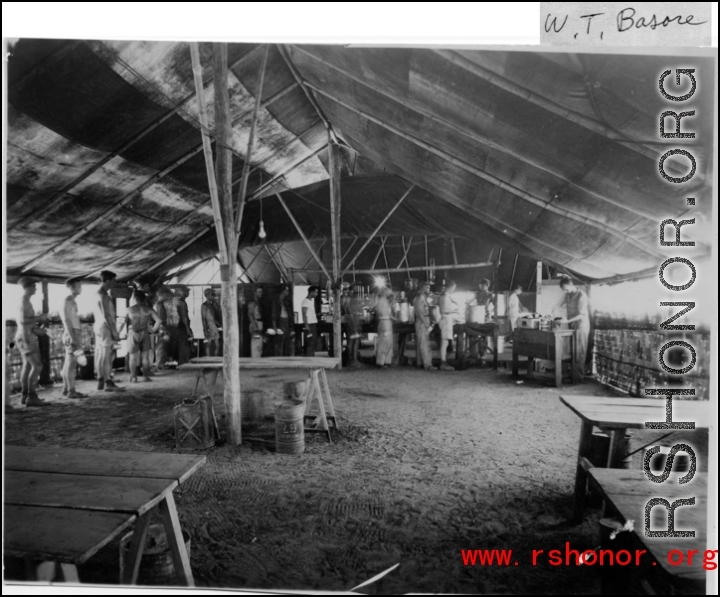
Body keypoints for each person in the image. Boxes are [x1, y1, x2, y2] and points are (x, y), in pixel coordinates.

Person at [15, 277, 50, 406]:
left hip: (24, 334)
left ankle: (25, 396)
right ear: (27, 287)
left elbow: (25, 322)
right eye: (34, 286)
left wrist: (35, 328)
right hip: (26, 336)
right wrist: (39, 317)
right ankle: (32, 396)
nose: (35, 289)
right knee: (38, 365)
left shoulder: (25, 301)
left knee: (28, 365)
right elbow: (23, 321)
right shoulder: (24, 301)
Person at [555, 276, 591, 379]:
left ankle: (579, 376)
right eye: (563, 290)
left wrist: (567, 321)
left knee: (580, 350)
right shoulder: (568, 295)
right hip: (572, 325)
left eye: (566, 289)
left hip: (581, 325)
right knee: (573, 350)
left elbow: (582, 315)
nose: (565, 291)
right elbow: (559, 305)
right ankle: (573, 374)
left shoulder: (581, 296)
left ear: (571, 285)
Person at [94, 270, 122, 392]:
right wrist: (114, 331)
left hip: (99, 326)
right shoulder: (103, 294)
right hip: (105, 327)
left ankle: (100, 381)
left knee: (101, 355)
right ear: (108, 280)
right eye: (113, 281)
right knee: (107, 356)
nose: (113, 283)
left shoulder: (97, 293)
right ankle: (108, 382)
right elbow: (107, 315)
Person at [126, 291, 162, 382]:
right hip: (145, 332)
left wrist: (117, 332)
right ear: (144, 298)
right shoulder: (148, 309)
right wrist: (153, 330)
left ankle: (133, 377)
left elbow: (122, 323)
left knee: (133, 357)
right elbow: (159, 320)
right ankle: (146, 376)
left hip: (133, 332)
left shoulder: (129, 309)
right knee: (145, 356)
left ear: (134, 298)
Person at [60, 277, 87, 399]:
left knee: (68, 362)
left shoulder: (71, 301)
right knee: (71, 363)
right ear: (72, 288)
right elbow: (66, 320)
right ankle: (71, 391)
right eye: (79, 286)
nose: (81, 288)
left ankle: (66, 389)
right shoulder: (68, 301)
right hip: (72, 333)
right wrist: (72, 337)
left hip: (73, 332)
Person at [413, 281, 437, 371]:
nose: (429, 289)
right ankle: (428, 364)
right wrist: (426, 323)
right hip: (422, 322)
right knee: (425, 344)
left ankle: (420, 363)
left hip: (424, 321)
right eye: (427, 287)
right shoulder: (419, 299)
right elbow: (419, 313)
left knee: (421, 343)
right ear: (422, 288)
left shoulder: (424, 298)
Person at [438, 280, 460, 371]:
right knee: (444, 342)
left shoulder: (445, 296)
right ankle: (443, 362)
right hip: (445, 319)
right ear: (451, 287)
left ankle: (444, 360)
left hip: (446, 319)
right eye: (454, 288)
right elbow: (444, 310)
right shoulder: (444, 297)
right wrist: (455, 311)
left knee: (446, 342)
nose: (453, 290)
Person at [344, 282, 364, 367]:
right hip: (353, 321)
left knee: (352, 341)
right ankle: (353, 360)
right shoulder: (350, 299)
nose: (357, 290)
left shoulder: (348, 299)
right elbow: (355, 311)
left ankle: (351, 359)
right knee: (354, 341)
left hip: (351, 321)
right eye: (356, 288)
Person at [271, 284, 294, 357]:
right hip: (280, 322)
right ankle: (278, 359)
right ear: (283, 291)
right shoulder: (276, 301)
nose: (288, 292)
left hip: (286, 322)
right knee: (280, 342)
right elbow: (274, 315)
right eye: (287, 290)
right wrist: (274, 326)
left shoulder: (286, 301)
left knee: (287, 342)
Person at [374, 287, 395, 368]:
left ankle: (386, 361)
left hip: (386, 322)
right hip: (385, 322)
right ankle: (381, 362)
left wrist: (393, 318)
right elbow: (384, 314)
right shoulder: (382, 301)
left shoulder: (384, 301)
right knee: (384, 343)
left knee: (388, 342)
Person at [174, 286, 194, 365]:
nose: (187, 293)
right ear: (179, 292)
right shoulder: (181, 302)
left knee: (181, 344)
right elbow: (184, 316)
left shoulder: (175, 301)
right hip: (181, 326)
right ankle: (183, 362)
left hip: (176, 326)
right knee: (184, 344)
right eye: (185, 291)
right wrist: (187, 329)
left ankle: (182, 361)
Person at [201, 288, 222, 357]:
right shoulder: (204, 306)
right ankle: (207, 361)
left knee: (217, 345)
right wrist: (205, 330)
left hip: (214, 326)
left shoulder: (212, 305)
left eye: (214, 294)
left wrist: (219, 325)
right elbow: (204, 319)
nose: (213, 296)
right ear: (207, 295)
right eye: (212, 294)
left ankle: (214, 361)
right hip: (209, 326)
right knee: (208, 345)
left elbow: (213, 317)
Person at [302, 286, 319, 357]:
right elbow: (304, 314)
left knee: (313, 343)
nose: (317, 294)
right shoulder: (305, 302)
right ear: (311, 292)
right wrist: (306, 325)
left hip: (313, 324)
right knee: (310, 343)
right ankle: (309, 361)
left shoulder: (310, 301)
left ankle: (312, 359)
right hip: (310, 325)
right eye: (316, 292)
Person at [247, 287, 264, 358]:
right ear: (255, 293)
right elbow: (250, 315)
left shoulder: (258, 303)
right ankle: (254, 360)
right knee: (256, 344)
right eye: (259, 291)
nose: (261, 293)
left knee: (259, 344)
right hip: (256, 323)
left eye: (261, 292)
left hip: (259, 323)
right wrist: (255, 326)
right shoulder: (252, 303)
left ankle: (257, 359)